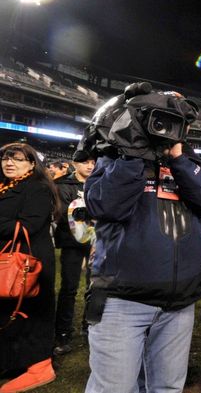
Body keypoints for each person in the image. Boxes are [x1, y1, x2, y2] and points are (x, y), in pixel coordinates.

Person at [82, 87, 201, 393]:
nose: (166, 129)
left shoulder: (184, 160)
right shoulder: (114, 158)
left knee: (168, 388)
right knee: (115, 389)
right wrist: (134, 154)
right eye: (159, 121)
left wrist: (179, 158)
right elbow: (105, 205)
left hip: (179, 304)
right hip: (122, 301)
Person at [0, 143, 60, 393]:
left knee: (33, 312)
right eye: (5, 158)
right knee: (8, 312)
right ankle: (12, 363)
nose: (8, 162)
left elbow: (28, 226)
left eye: (17, 158)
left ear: (32, 163)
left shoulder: (39, 187)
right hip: (8, 261)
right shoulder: (6, 186)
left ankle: (40, 366)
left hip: (30, 262)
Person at [53, 149, 96, 356]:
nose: (89, 166)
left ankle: (89, 327)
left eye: (92, 162)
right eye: (85, 162)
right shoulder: (64, 185)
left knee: (94, 286)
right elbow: (63, 215)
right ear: (75, 163)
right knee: (68, 288)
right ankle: (62, 332)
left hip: (96, 243)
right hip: (72, 243)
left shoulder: (100, 181)